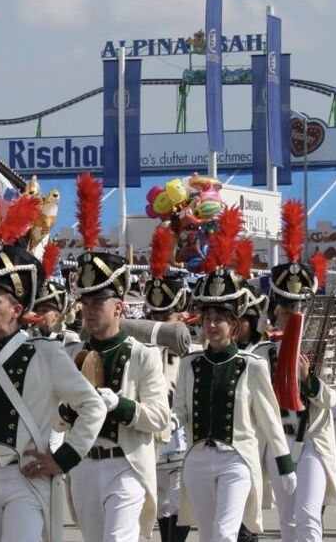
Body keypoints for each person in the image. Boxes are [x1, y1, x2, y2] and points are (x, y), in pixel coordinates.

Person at [0, 239, 107, 542]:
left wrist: (63, 459)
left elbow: (92, 406)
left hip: (25, 478)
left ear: (16, 309)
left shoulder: (46, 352)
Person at [174, 207, 295, 542]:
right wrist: (166, 425)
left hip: (236, 458)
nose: (212, 325)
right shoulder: (190, 364)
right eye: (208, 318)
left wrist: (284, 462)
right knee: (208, 535)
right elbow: (179, 411)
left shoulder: (251, 364)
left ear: (233, 324)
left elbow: (269, 419)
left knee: (226, 534)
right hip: (198, 457)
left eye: (220, 319)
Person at [64, 244, 170, 542]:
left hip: (126, 464)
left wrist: (121, 405)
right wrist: (68, 409)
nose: (89, 310)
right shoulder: (71, 353)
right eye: (85, 303)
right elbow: (57, 415)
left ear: (119, 307)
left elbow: (160, 417)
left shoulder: (143, 355)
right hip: (84, 463)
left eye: (98, 302)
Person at [261, 199, 336, 542]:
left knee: (308, 515)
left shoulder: (326, 349)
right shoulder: (262, 354)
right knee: (288, 520)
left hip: (312, 439)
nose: (292, 318)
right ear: (275, 314)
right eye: (285, 312)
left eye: (298, 311)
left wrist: (309, 380)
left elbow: (335, 400)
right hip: (278, 439)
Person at [143, 231, 194, 542]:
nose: (160, 323)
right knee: (159, 508)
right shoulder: (139, 351)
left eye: (167, 316)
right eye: (156, 316)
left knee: (176, 505)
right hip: (149, 441)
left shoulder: (194, 352)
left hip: (181, 441)